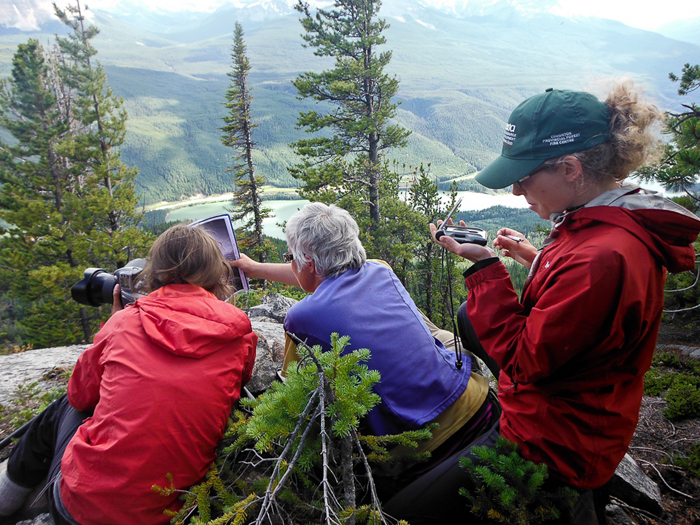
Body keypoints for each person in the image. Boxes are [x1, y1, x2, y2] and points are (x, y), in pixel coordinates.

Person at [394, 83, 700, 523]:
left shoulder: (603, 257)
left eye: (524, 176)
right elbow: (587, 308)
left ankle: (570, 503)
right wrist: (536, 259)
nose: (517, 190)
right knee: (466, 317)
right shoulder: (598, 223)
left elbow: (521, 360)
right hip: (566, 418)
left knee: (402, 514)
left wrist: (485, 268)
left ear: (572, 168)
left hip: (554, 446)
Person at [232, 202, 499, 507]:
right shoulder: (379, 269)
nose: (291, 264)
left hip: (430, 451)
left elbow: (293, 399)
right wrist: (255, 269)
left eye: (290, 259)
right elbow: (321, 276)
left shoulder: (302, 318)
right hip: (480, 404)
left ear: (307, 262)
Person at [0, 224, 257, 525]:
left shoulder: (125, 322)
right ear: (216, 273)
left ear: (156, 273)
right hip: (162, 515)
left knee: (62, 407)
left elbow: (79, 395)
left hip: (80, 509)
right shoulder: (238, 333)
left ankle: (6, 502)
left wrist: (116, 323)